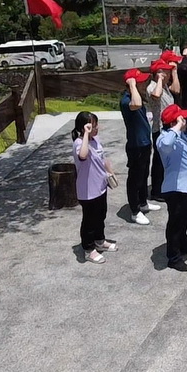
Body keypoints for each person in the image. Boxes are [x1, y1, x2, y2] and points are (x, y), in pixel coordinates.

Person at [156, 104, 187, 272]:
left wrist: (179, 127)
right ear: (174, 123)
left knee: (184, 219)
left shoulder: (179, 135)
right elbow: (166, 144)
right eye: (181, 118)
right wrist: (178, 126)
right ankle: (173, 258)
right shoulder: (164, 138)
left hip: (185, 186)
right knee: (175, 223)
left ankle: (183, 244)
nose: (185, 120)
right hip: (175, 188)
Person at [72, 112, 117, 264]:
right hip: (87, 190)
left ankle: (99, 241)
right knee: (89, 221)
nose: (96, 128)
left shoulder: (96, 140)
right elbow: (83, 156)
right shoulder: (79, 143)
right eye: (93, 126)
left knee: (100, 216)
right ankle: (88, 248)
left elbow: (103, 159)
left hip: (100, 186)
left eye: (96, 125)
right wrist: (85, 134)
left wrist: (110, 173)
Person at [120, 68, 161, 224]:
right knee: (135, 178)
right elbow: (136, 104)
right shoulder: (126, 100)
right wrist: (132, 84)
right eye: (141, 82)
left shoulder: (135, 96)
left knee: (144, 175)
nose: (144, 84)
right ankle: (134, 210)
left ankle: (143, 202)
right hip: (135, 145)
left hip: (144, 143)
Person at [147, 57, 180, 202]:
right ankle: (156, 191)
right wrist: (159, 79)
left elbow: (176, 90)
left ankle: (164, 187)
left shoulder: (165, 86)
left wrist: (174, 73)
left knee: (166, 161)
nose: (168, 74)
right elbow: (155, 95)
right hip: (159, 128)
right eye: (165, 72)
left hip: (168, 126)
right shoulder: (153, 86)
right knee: (159, 162)